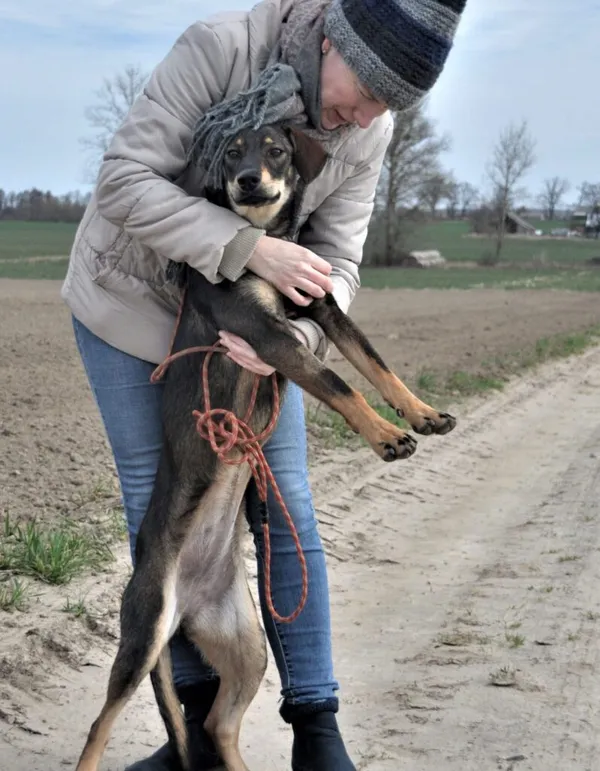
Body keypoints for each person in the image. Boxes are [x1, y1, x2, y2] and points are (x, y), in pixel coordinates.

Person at [62, 0, 467, 768]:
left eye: (388, 105)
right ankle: (199, 736)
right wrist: (246, 247)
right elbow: (121, 181)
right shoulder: (220, 47)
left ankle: (317, 728)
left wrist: (299, 335)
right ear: (329, 41)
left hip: (260, 321)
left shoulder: (367, 127)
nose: (368, 114)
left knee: (286, 497)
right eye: (366, 89)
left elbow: (338, 260)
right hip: (134, 302)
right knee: (165, 502)